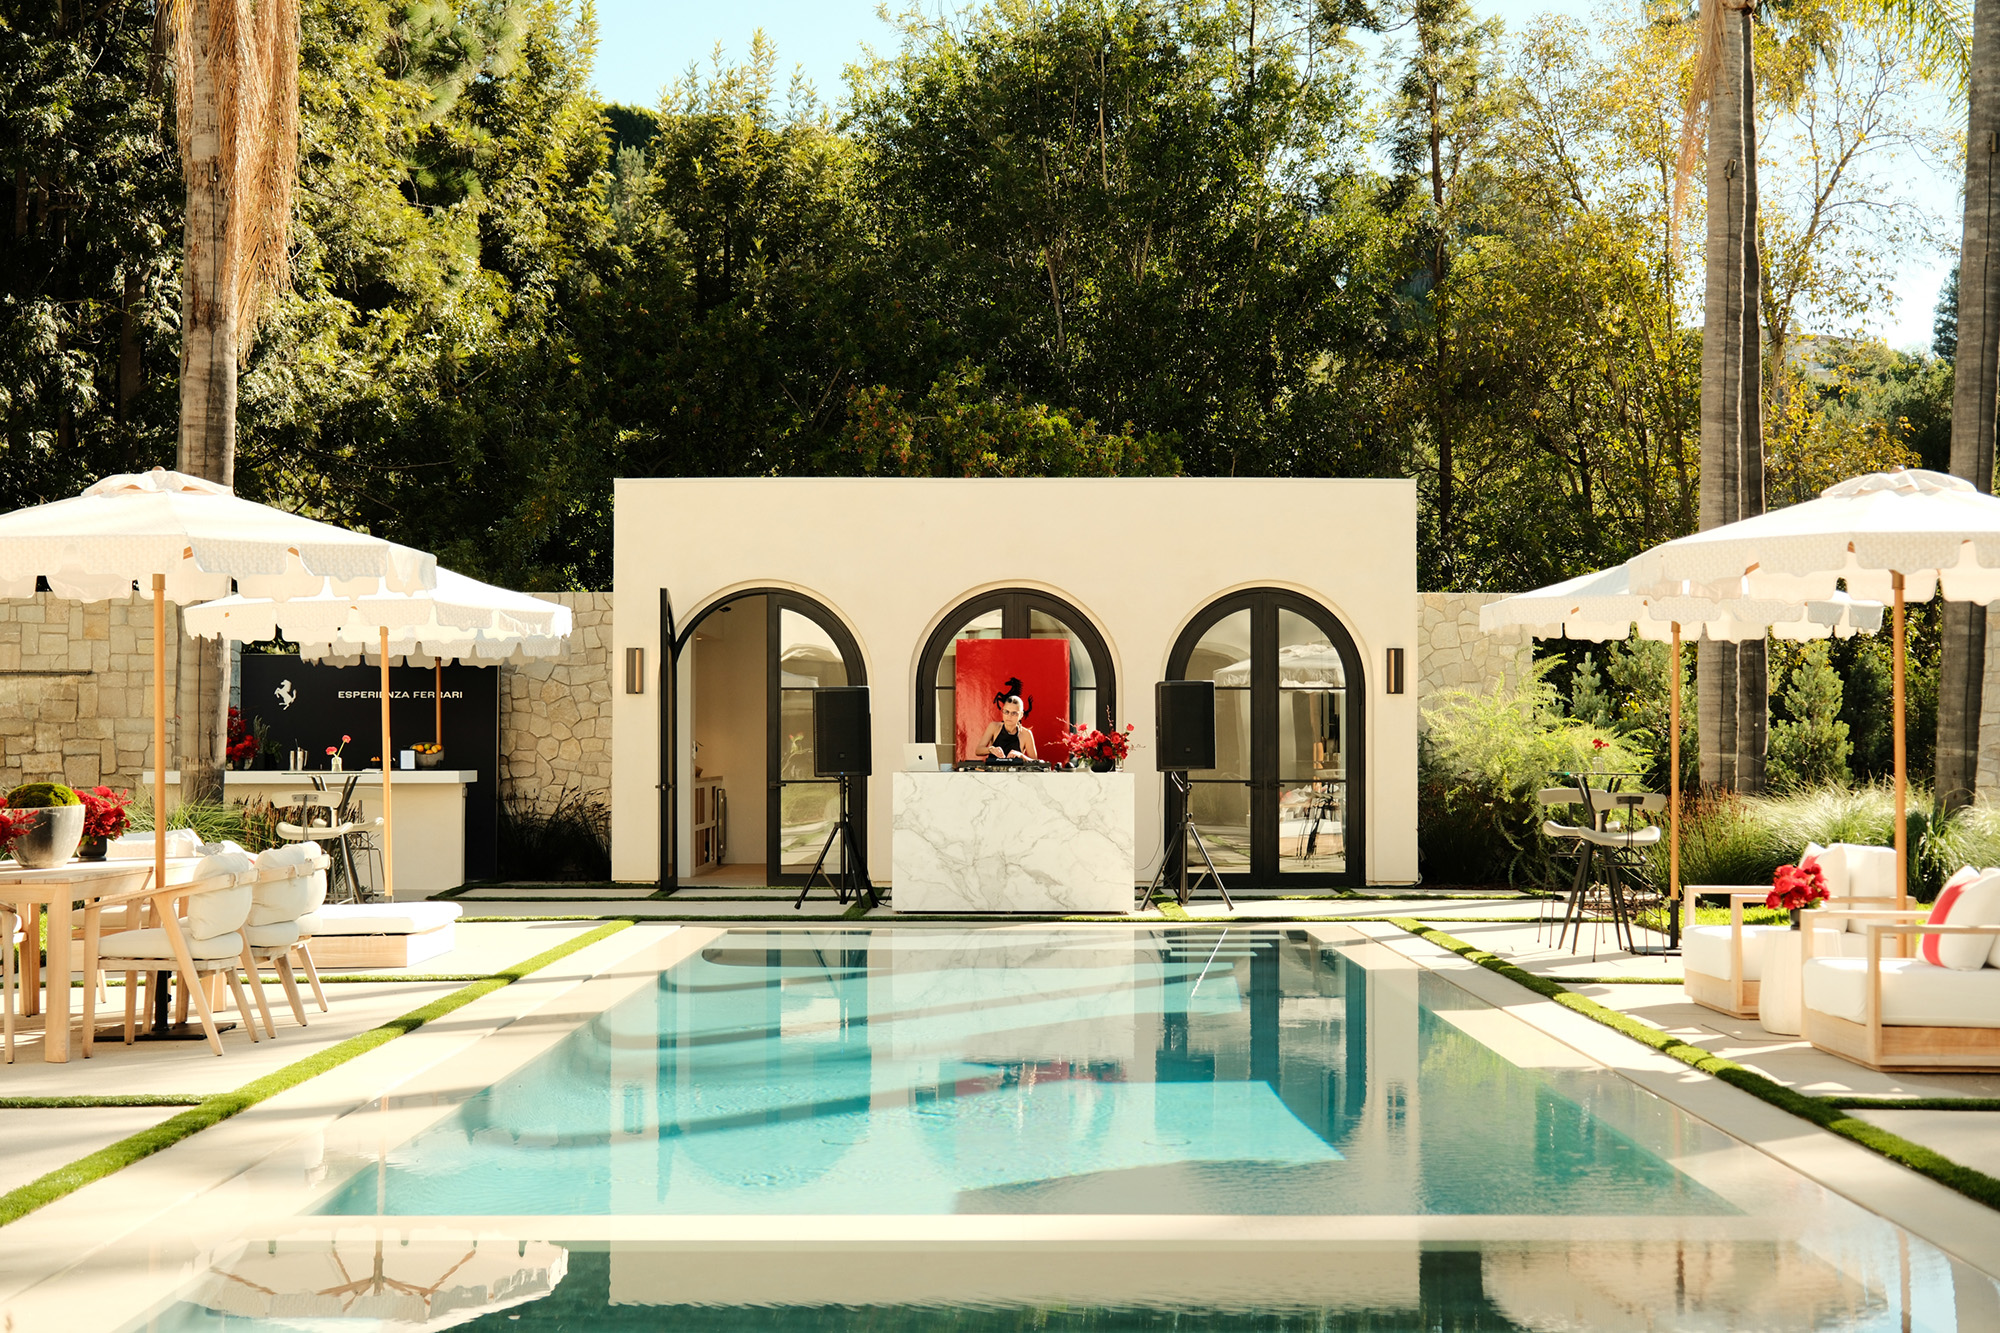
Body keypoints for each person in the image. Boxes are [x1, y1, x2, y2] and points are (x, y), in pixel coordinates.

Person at [972, 678, 1038, 763]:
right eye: (1006, 712)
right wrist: (991, 749)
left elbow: (1035, 762)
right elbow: (978, 750)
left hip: (1017, 771)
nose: (1009, 716)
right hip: (993, 770)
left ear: (1021, 715)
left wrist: (1021, 755)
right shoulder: (994, 727)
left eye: (1014, 713)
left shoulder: (1026, 734)